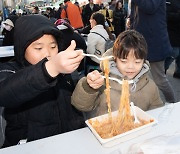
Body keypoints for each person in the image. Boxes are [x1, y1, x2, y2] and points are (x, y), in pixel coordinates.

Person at [0, 15, 85, 148]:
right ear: (22, 47)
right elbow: (5, 93)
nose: (48, 54)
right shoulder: (10, 70)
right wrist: (50, 69)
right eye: (38, 48)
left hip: (67, 144)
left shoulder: (63, 73)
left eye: (53, 46)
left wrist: (88, 87)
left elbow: (75, 110)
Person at [71, 30, 163, 119]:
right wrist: (89, 87)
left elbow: (157, 110)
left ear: (143, 62)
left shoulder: (150, 86)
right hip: (106, 130)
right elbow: (80, 105)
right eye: (124, 61)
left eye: (137, 62)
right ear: (115, 59)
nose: (130, 67)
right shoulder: (102, 81)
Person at [129, 0, 176, 103]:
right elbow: (134, 16)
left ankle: (172, 104)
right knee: (137, 77)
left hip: (155, 42)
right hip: (139, 41)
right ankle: (140, 105)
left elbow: (150, 7)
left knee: (160, 80)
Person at [164, 0, 180, 79]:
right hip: (172, 36)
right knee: (173, 54)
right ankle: (161, 71)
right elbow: (165, 15)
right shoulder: (167, 2)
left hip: (175, 35)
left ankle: (178, 72)